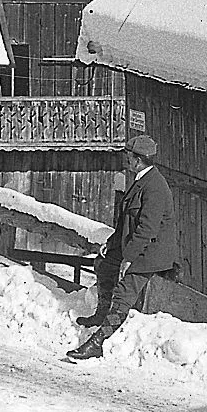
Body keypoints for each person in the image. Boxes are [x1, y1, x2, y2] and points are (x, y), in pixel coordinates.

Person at [66, 134, 181, 362]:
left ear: (137, 159)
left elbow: (147, 229)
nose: (125, 158)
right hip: (133, 244)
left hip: (150, 252)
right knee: (104, 265)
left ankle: (98, 343)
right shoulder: (141, 179)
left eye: (128, 155)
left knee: (123, 295)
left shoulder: (155, 187)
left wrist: (128, 258)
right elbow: (127, 220)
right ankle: (101, 314)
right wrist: (111, 244)